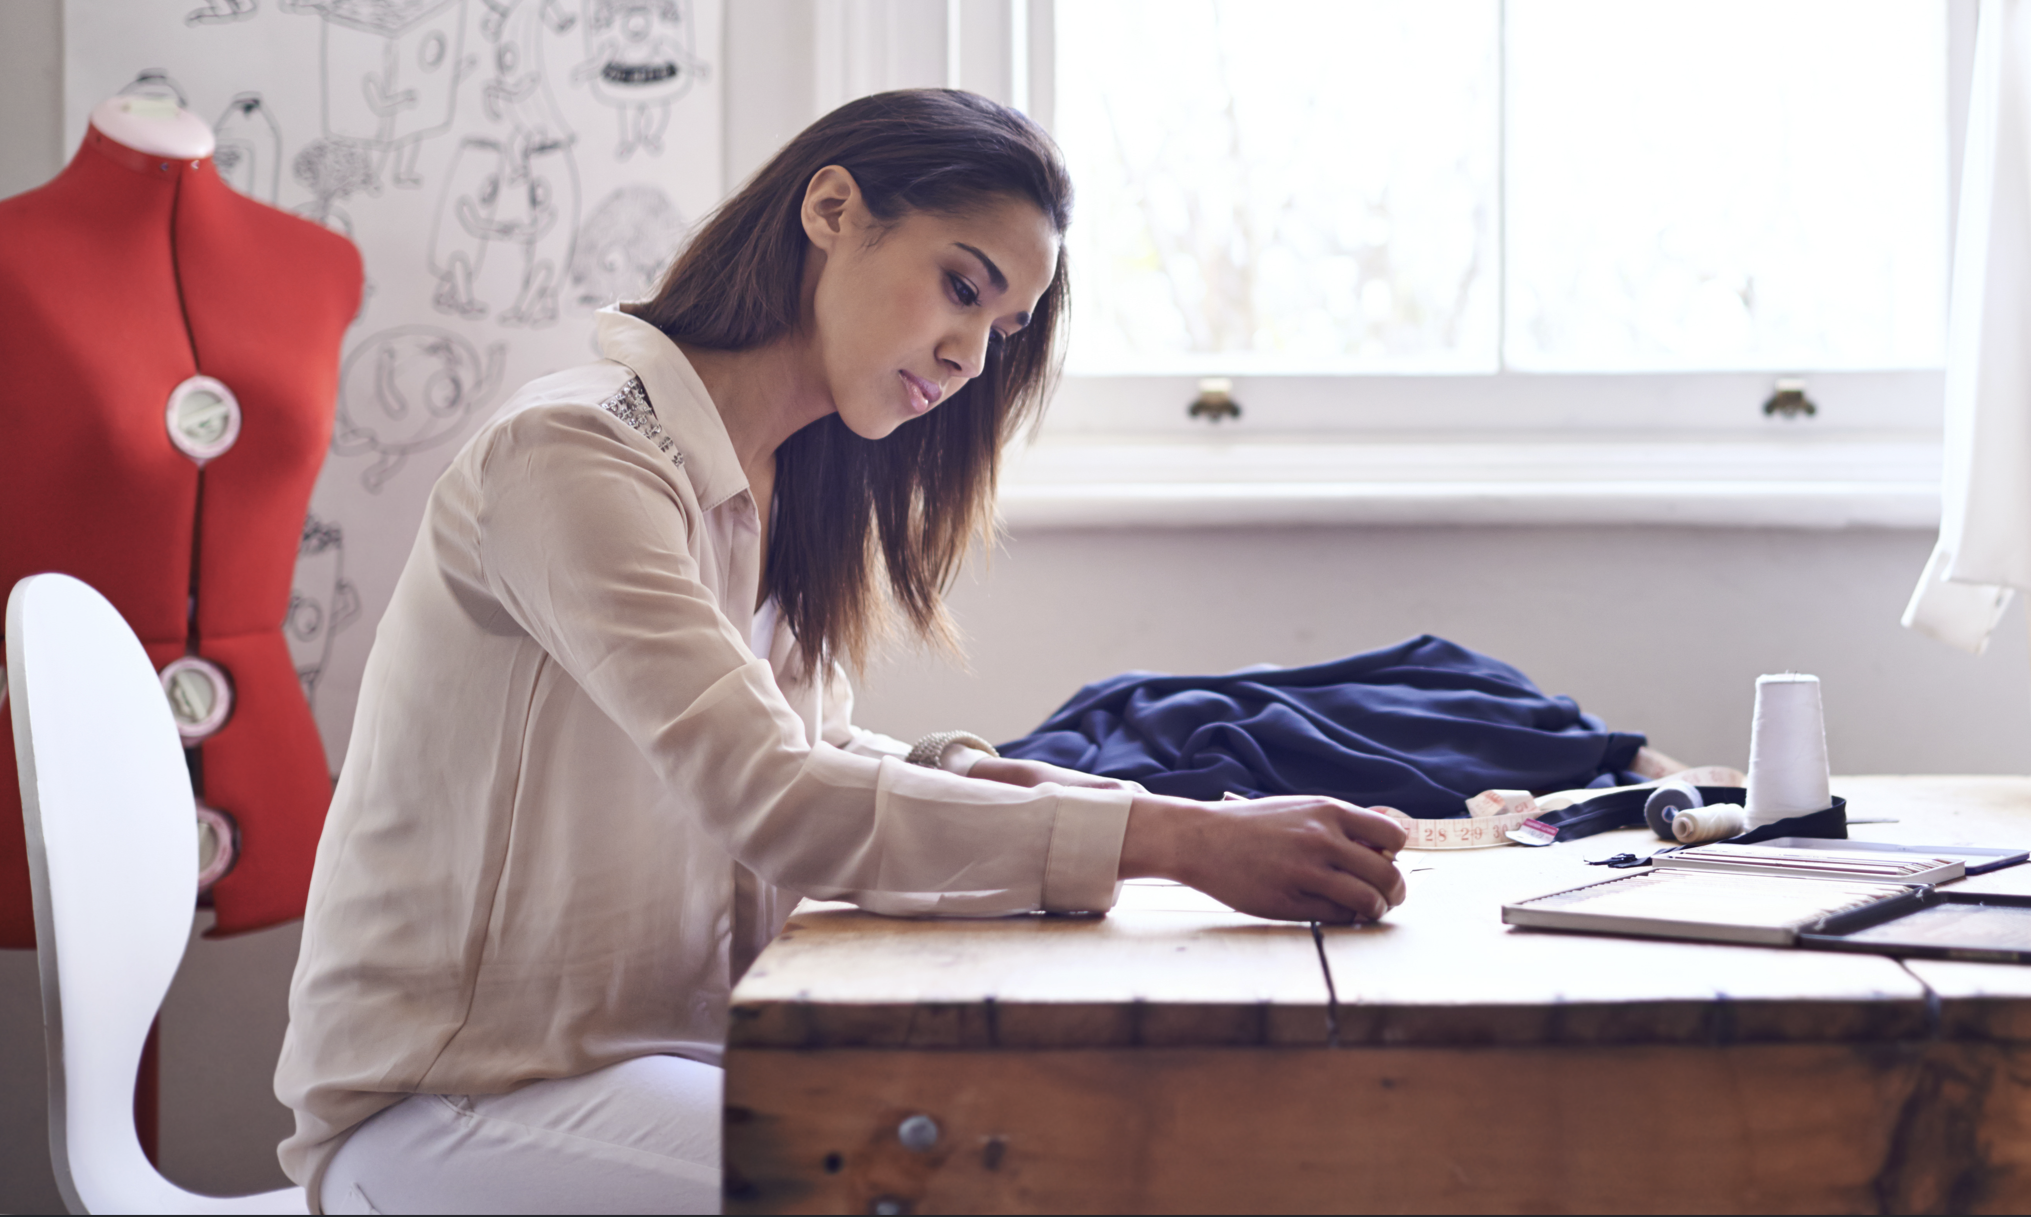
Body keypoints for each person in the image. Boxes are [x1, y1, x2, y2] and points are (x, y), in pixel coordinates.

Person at [276, 90, 1410, 1214]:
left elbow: (800, 744)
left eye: (1001, 328)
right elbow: (772, 791)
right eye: (962, 285)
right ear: (832, 209)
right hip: (450, 1106)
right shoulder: (573, 458)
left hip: (659, 1070)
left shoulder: (783, 487)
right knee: (972, 1184)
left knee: (1060, 1125)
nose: (970, 354)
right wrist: (1175, 836)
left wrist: (968, 772)